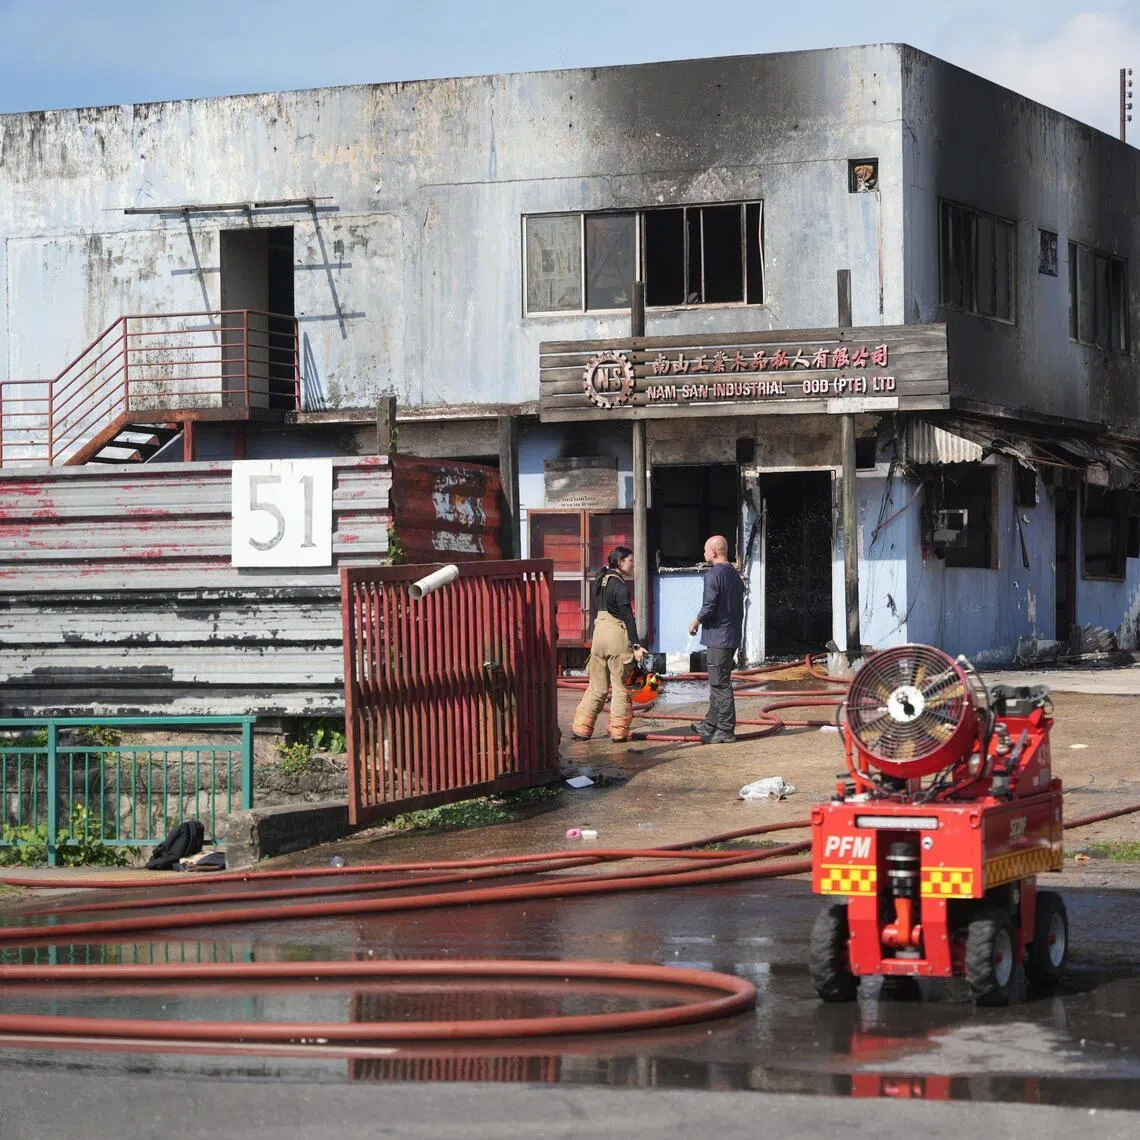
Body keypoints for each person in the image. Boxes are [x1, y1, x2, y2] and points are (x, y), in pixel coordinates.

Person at [571, 546, 648, 744]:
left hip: (599, 636)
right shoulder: (620, 587)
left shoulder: (601, 580)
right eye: (631, 561)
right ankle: (619, 732)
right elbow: (628, 618)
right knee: (622, 687)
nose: (634, 564)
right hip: (616, 637)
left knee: (597, 687)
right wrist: (637, 646)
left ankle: (581, 728)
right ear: (620, 562)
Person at [689, 534, 745, 744]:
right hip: (730, 636)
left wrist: (696, 621)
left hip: (718, 638)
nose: (704, 554)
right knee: (717, 682)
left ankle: (725, 730)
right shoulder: (734, 574)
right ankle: (710, 724)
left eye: (705, 550)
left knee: (720, 685)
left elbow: (709, 605)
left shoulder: (713, 575)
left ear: (713, 552)